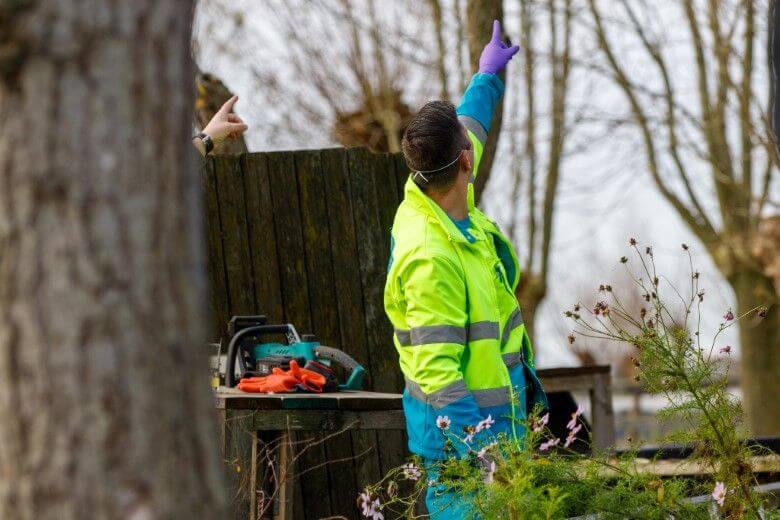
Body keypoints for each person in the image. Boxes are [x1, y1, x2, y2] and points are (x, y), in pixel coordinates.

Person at [383, 20, 548, 518]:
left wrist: (487, 76)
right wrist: (486, 456)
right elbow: (438, 377)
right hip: (467, 463)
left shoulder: (435, 193)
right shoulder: (431, 256)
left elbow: (469, 124)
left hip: (501, 439)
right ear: (465, 162)